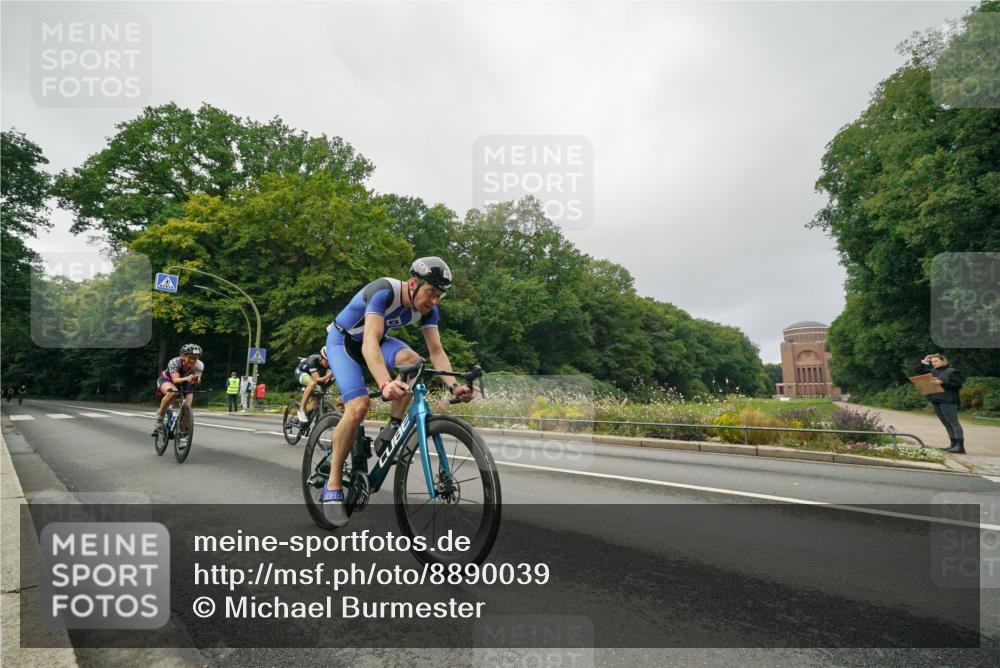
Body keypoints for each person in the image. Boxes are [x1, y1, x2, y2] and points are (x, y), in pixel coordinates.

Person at [320, 257, 474, 526]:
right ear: (413, 283)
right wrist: (385, 383)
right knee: (359, 405)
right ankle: (332, 485)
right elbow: (369, 342)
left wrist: (454, 385)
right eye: (431, 292)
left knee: (415, 363)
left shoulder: (428, 310)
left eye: (440, 295)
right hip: (344, 341)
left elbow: (436, 350)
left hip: (377, 341)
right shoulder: (384, 291)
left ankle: (392, 427)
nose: (434, 300)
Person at [154, 344, 204, 433]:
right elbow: (176, 380)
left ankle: (182, 431)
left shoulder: (199, 365)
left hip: (186, 382)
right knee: (173, 393)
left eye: (195, 358)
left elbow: (198, 378)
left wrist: (196, 380)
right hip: (168, 380)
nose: (192, 360)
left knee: (187, 408)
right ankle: (160, 416)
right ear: (182, 356)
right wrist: (187, 378)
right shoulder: (175, 362)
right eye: (190, 357)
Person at [921, 354, 965, 454]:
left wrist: (942, 383)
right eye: (932, 362)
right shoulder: (934, 371)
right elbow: (920, 374)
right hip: (936, 400)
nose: (933, 363)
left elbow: (958, 385)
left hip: (949, 400)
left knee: (953, 422)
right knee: (946, 423)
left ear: (943, 361)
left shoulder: (952, 371)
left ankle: (960, 447)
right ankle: (953, 445)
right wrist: (925, 362)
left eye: (936, 361)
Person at [294, 347, 333, 424]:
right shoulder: (312, 361)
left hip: (315, 376)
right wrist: (330, 375)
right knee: (312, 384)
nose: (328, 364)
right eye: (327, 361)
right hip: (301, 372)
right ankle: (301, 409)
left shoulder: (330, 364)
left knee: (317, 399)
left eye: (330, 361)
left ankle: (308, 420)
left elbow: (328, 381)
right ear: (321, 358)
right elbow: (318, 379)